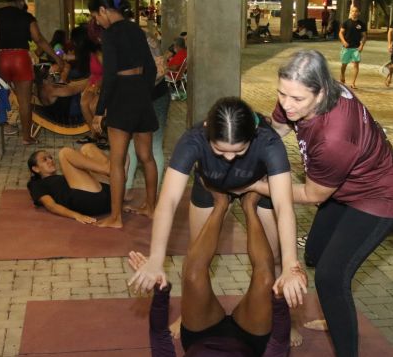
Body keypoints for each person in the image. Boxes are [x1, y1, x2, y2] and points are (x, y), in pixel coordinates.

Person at [259, 50, 393, 357]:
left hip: (379, 197)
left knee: (330, 276)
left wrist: (257, 184)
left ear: (322, 92)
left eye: (297, 99)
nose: (287, 105)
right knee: (314, 254)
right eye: (282, 94)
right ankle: (334, 311)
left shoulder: (335, 134)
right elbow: (275, 130)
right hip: (343, 190)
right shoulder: (296, 95)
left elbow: (310, 195)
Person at [131, 190, 292, 357]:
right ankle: (249, 205)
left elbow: (159, 338)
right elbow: (279, 342)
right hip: (249, 340)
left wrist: (161, 292)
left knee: (192, 272)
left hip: (201, 336)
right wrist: (279, 299)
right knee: (267, 278)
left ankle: (220, 203)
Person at [128, 97, 307, 305]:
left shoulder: (269, 141)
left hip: (257, 187)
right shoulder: (193, 140)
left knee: (275, 257)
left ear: (253, 135)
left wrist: (290, 265)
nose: (229, 158)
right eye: (220, 150)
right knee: (196, 256)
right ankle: (189, 314)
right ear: (207, 131)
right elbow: (168, 202)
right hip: (211, 186)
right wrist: (156, 260)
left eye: (239, 151)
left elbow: (284, 206)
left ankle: (284, 320)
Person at [88, 0, 158, 227]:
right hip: (141, 93)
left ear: (103, 11)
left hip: (122, 95)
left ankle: (116, 217)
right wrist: (143, 92)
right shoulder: (136, 29)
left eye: (96, 16)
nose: (97, 22)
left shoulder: (110, 35)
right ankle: (151, 207)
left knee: (116, 160)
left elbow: (109, 76)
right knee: (146, 157)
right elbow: (150, 67)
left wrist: (99, 111)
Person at [0, 0, 63, 144]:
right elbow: (39, 39)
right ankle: (27, 137)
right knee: (24, 100)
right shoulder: (26, 17)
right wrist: (56, 57)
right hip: (20, 58)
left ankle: (1, 128)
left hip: (1, 57)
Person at [125, 25, 171, 193]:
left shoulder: (131, 36)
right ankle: (127, 188)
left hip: (154, 96)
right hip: (151, 95)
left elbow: (160, 70)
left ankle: (152, 194)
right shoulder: (144, 34)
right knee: (131, 144)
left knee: (152, 146)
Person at [26, 144, 111, 223]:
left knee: (88, 148)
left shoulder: (62, 177)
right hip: (88, 200)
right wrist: (76, 215)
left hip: (109, 196)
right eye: (44, 160)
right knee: (64, 152)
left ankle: (115, 175)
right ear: (36, 169)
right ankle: (110, 170)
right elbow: (50, 205)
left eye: (50, 158)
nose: (50, 161)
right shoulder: (36, 184)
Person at [338, 6, 366, 89]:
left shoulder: (361, 24)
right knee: (344, 64)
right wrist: (343, 41)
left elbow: (364, 36)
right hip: (346, 47)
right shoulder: (346, 22)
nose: (354, 13)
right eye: (353, 11)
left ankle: (353, 83)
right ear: (351, 12)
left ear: (359, 13)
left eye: (356, 11)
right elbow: (340, 33)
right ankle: (342, 75)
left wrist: (361, 45)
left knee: (356, 64)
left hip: (356, 48)